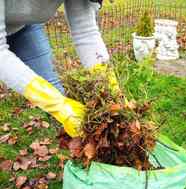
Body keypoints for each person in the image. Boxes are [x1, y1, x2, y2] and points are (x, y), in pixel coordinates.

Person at [0, 0, 115, 137]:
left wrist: (110, 89)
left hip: (22, 27)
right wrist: (57, 105)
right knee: (55, 103)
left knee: (56, 93)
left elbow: (86, 32)